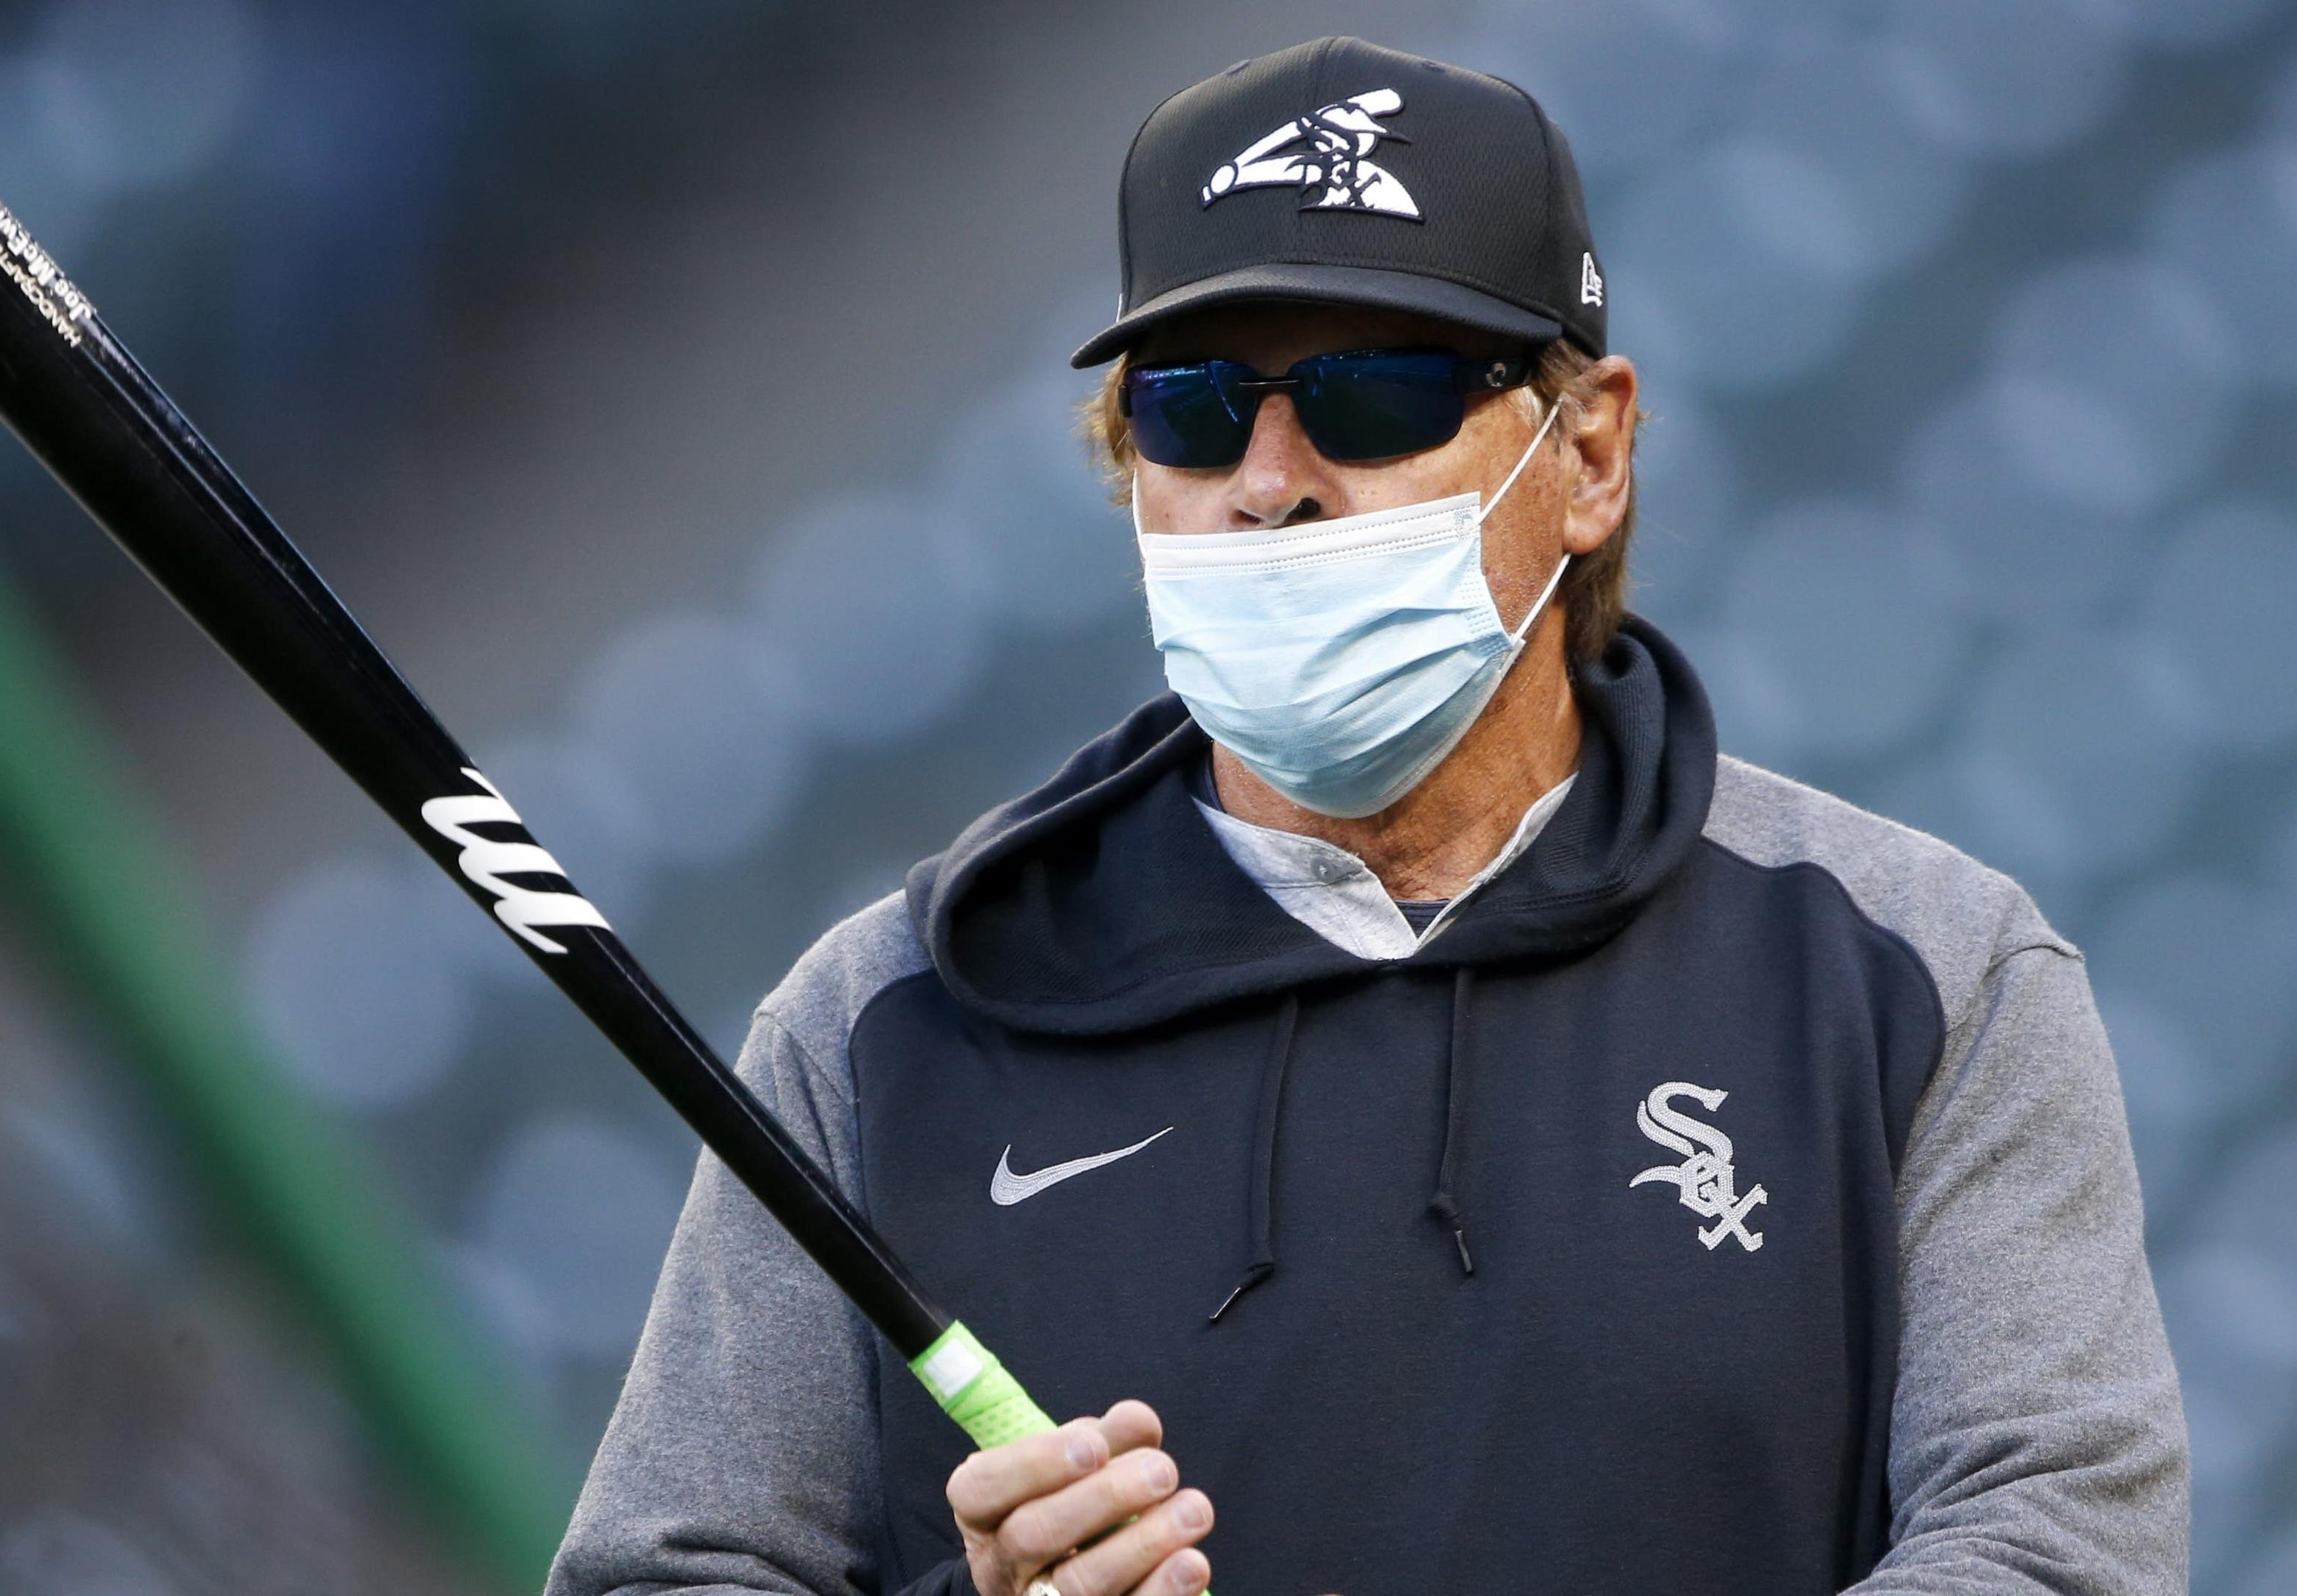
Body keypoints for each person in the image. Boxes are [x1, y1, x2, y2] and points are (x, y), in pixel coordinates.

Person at [546, 35, 2188, 1596]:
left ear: (1590, 451)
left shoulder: (1927, 979)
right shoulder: (874, 1029)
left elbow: (2059, 1542)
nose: (1271, 475)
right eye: (1191, 403)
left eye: (1376, 394)